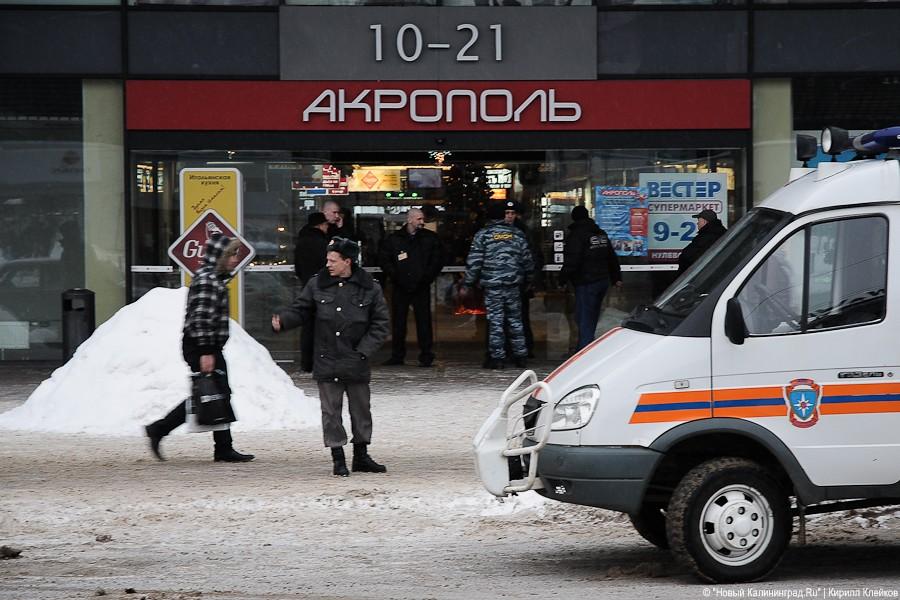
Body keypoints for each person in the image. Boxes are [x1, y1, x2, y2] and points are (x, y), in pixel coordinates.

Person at [272, 237, 390, 477]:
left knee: (361, 411)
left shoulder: (370, 287)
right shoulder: (317, 284)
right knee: (330, 412)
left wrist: (363, 351)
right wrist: (284, 320)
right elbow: (302, 309)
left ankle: (361, 456)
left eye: (333, 260)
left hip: (356, 359)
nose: (328, 264)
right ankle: (338, 457)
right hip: (327, 358)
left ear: (348, 262)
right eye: (327, 260)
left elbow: (381, 324)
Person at [145, 235, 255, 463]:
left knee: (216, 392)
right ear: (220, 256)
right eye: (232, 254)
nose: (236, 259)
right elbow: (200, 319)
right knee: (209, 393)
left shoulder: (214, 278)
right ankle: (160, 429)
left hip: (206, 345)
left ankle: (222, 447)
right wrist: (206, 351)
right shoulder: (207, 280)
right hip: (202, 345)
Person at [463, 202, 534, 370]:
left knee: (496, 321)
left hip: (492, 285)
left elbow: (474, 261)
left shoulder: (483, 235)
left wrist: (468, 282)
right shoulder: (517, 234)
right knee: (515, 320)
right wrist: (529, 280)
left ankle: (497, 358)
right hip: (513, 285)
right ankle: (520, 356)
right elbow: (527, 260)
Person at [378, 208, 445, 367]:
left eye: (422, 219)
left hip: (421, 286)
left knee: (424, 322)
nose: (422, 222)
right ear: (410, 219)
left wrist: (426, 277)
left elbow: (437, 260)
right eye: (419, 219)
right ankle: (397, 355)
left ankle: (426, 355)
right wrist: (396, 276)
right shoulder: (394, 239)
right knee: (398, 323)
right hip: (401, 286)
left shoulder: (430, 239)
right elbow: (384, 259)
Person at [561, 205, 622, 352]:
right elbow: (611, 257)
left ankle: (584, 352)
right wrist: (616, 277)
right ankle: (586, 347)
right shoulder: (600, 233)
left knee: (584, 318)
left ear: (574, 218)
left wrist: (561, 279)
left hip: (586, 281)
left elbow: (572, 260)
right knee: (592, 316)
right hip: (602, 280)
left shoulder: (577, 235)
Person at [293, 212, 330, 372]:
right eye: (326, 224)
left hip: (306, 287)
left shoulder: (301, 241)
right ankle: (320, 361)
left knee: (308, 326)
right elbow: (327, 267)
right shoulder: (322, 242)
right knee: (324, 326)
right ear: (321, 225)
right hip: (322, 288)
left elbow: (298, 268)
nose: (327, 227)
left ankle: (306, 362)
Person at [678, 208, 727, 273]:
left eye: (699, 220)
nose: (697, 223)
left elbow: (687, 256)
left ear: (705, 221)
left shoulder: (705, 236)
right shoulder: (723, 233)